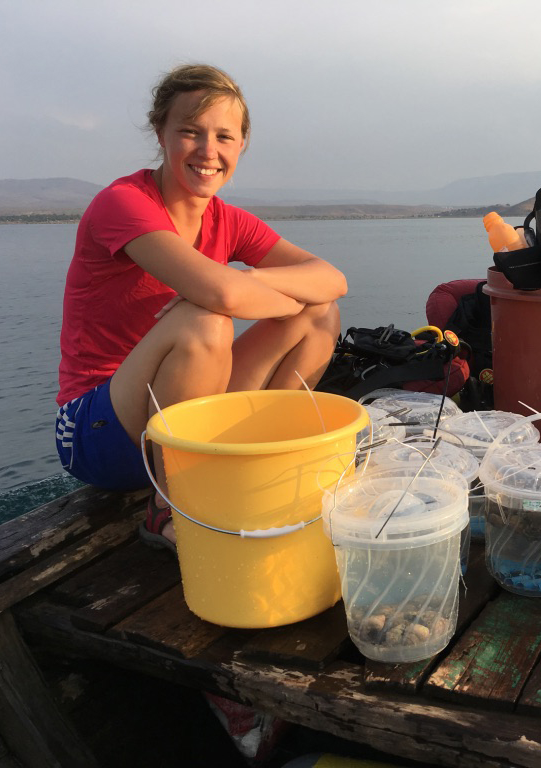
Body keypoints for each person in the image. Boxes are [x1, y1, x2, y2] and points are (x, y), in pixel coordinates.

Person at [55, 64, 347, 550]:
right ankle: (168, 508)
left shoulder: (228, 221)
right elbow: (224, 299)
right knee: (206, 323)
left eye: (224, 137)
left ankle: (257, 467)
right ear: (161, 133)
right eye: (190, 132)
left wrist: (248, 280)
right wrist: (229, 291)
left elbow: (331, 280)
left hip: (177, 423)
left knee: (318, 315)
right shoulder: (123, 204)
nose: (208, 151)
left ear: (241, 144)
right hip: (98, 428)